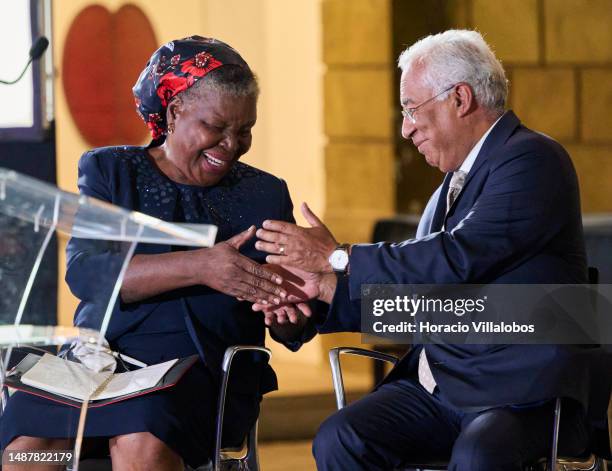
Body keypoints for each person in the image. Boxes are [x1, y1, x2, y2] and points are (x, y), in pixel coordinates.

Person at [254, 30, 611, 470]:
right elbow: (429, 302)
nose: (405, 128)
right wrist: (313, 301)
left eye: (410, 109)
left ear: (459, 99)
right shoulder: (448, 188)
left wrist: (339, 257)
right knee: (342, 437)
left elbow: (457, 259)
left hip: (523, 392)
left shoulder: (534, 160)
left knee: (480, 452)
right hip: (444, 384)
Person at [1, 36, 314, 471]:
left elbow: (292, 318)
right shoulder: (112, 171)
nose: (231, 144)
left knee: (139, 439)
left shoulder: (263, 193)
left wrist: (291, 317)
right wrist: (201, 266)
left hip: (204, 370)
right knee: (28, 450)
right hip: (96, 366)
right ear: (174, 112)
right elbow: (86, 274)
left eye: (244, 131)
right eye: (216, 126)